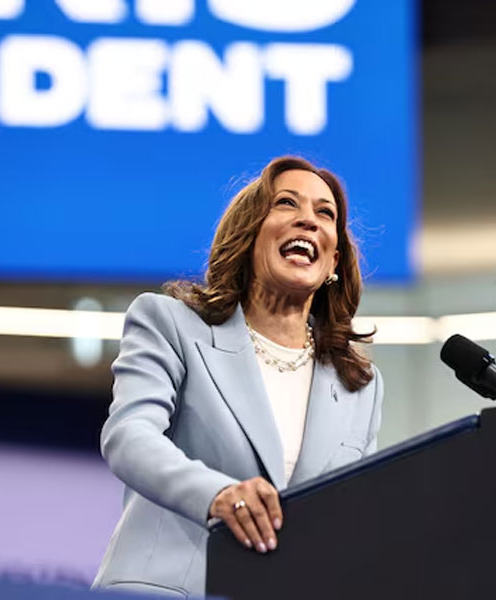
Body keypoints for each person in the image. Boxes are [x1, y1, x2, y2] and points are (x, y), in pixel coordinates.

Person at [92, 156, 384, 597]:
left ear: (333, 263)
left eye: (325, 214)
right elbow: (129, 437)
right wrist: (217, 495)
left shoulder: (359, 384)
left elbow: (357, 518)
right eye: (287, 204)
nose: (308, 220)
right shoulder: (171, 324)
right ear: (249, 234)